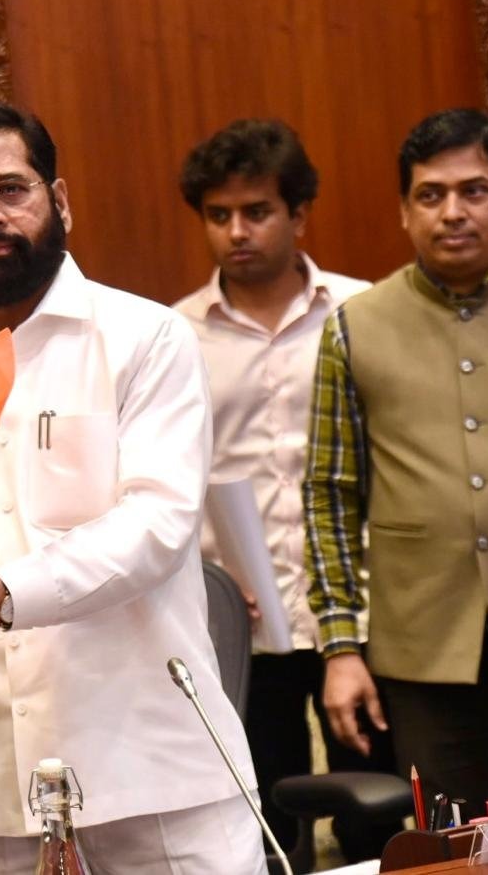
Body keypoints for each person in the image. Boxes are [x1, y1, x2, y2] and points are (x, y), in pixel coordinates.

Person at [0, 103, 266, 875]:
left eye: (11, 189)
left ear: (61, 200)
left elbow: (156, 524)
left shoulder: (144, 339)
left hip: (155, 774)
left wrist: (2, 594)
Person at [303, 108, 488, 819]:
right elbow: (330, 495)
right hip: (430, 660)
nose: (453, 212)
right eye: (430, 195)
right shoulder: (355, 328)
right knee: (460, 852)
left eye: (474, 190)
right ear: (406, 211)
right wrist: (341, 648)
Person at [175, 119, 399, 860]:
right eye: (219, 215)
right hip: (244, 619)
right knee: (267, 829)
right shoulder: (174, 337)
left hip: (363, 609)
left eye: (258, 211)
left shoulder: (367, 313)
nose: (237, 232)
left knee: (379, 817)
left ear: (298, 214)